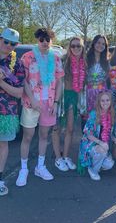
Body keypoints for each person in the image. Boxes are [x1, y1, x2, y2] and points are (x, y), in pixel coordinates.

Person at [16, 28, 64, 187]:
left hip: (49, 104)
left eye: (47, 39)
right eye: (41, 39)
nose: (44, 42)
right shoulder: (27, 57)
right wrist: (32, 99)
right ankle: (23, 169)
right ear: (37, 40)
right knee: (28, 137)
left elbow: (59, 82)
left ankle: (40, 166)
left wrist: (56, 102)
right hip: (32, 103)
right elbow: (23, 81)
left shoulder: (56, 58)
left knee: (44, 136)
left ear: (51, 40)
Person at [52, 37, 86, 171]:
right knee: (56, 128)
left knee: (70, 128)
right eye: (73, 46)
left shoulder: (85, 63)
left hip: (74, 97)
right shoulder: (62, 60)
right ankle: (57, 158)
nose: (76, 48)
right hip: (61, 96)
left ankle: (65, 156)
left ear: (82, 47)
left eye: (79, 46)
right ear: (69, 47)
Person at [0, 28, 25, 196]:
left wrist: (1, 82)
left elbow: (18, 93)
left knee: (3, 145)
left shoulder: (17, 64)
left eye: (13, 43)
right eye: (6, 41)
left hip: (7, 112)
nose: (9, 45)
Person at [79, 91, 115, 181]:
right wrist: (100, 143)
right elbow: (88, 133)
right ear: (99, 102)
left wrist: (114, 139)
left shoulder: (111, 114)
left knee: (109, 164)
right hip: (90, 143)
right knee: (101, 150)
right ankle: (93, 170)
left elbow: (110, 133)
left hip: (102, 145)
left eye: (107, 100)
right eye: (102, 100)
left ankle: (95, 164)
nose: (105, 103)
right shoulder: (93, 114)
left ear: (111, 101)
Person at [86, 35, 109, 112]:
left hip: (102, 93)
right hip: (88, 93)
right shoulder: (86, 58)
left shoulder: (107, 61)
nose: (101, 45)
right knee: (88, 118)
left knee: (102, 117)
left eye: (103, 44)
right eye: (98, 43)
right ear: (94, 43)